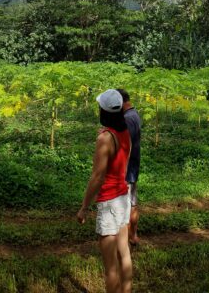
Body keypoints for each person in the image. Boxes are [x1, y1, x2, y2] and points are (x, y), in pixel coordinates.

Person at [76, 89, 133, 293]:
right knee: (124, 254)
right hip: (123, 197)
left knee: (110, 267)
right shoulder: (124, 130)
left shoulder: (105, 139)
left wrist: (84, 207)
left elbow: (97, 177)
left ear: (104, 111)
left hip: (109, 202)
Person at [118, 88, 142, 245]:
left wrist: (122, 169)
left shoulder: (127, 119)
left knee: (126, 207)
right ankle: (133, 236)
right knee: (133, 203)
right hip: (133, 167)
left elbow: (127, 146)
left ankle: (127, 240)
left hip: (127, 170)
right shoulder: (134, 114)